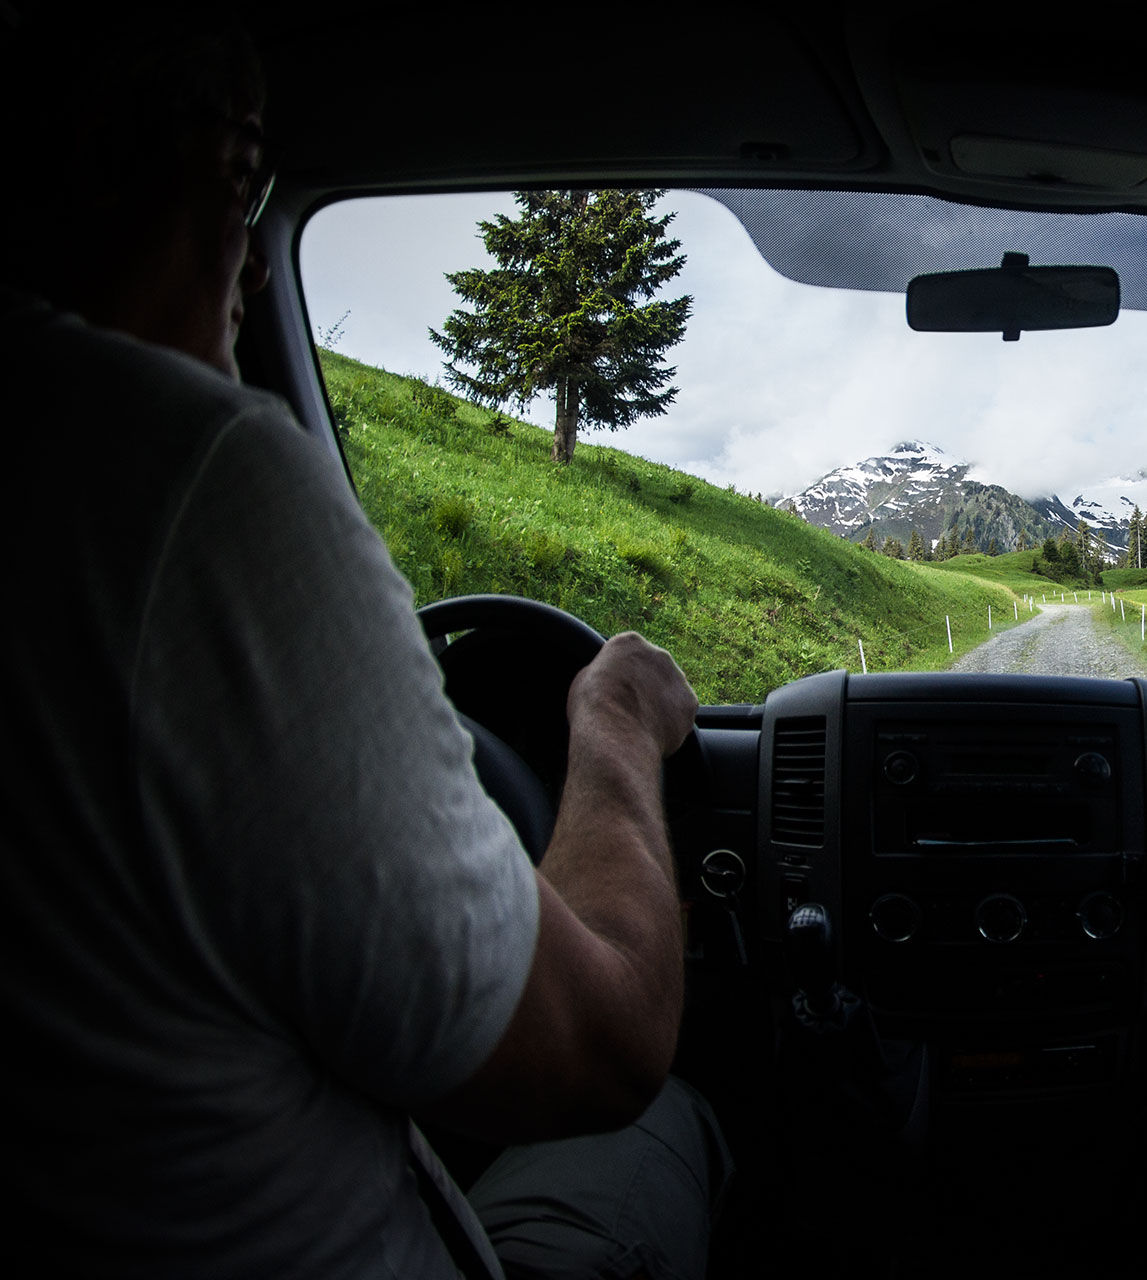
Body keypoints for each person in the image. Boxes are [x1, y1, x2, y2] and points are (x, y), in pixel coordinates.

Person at [0, 19, 725, 1279]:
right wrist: (610, 718)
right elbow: (608, 1046)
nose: (238, 268)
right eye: (243, 171)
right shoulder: (184, 484)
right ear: (152, 156)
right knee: (671, 1117)